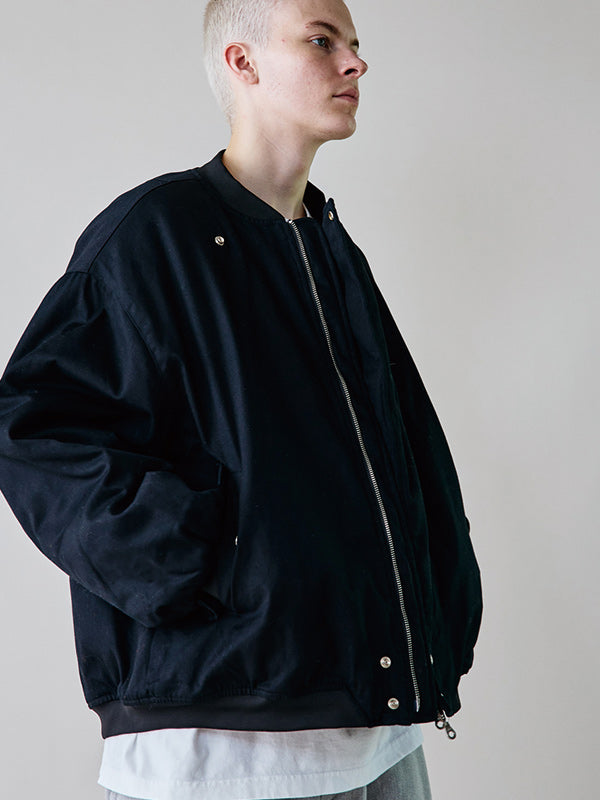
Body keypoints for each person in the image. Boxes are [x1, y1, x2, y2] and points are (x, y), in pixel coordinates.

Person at [0, 0, 483, 798]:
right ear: (243, 62)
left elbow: (399, 459)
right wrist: (194, 560)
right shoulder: (156, 234)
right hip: (224, 750)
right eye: (322, 41)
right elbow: (33, 426)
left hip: (378, 735)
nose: (355, 63)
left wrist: (441, 610)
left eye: (355, 44)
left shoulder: (332, 252)